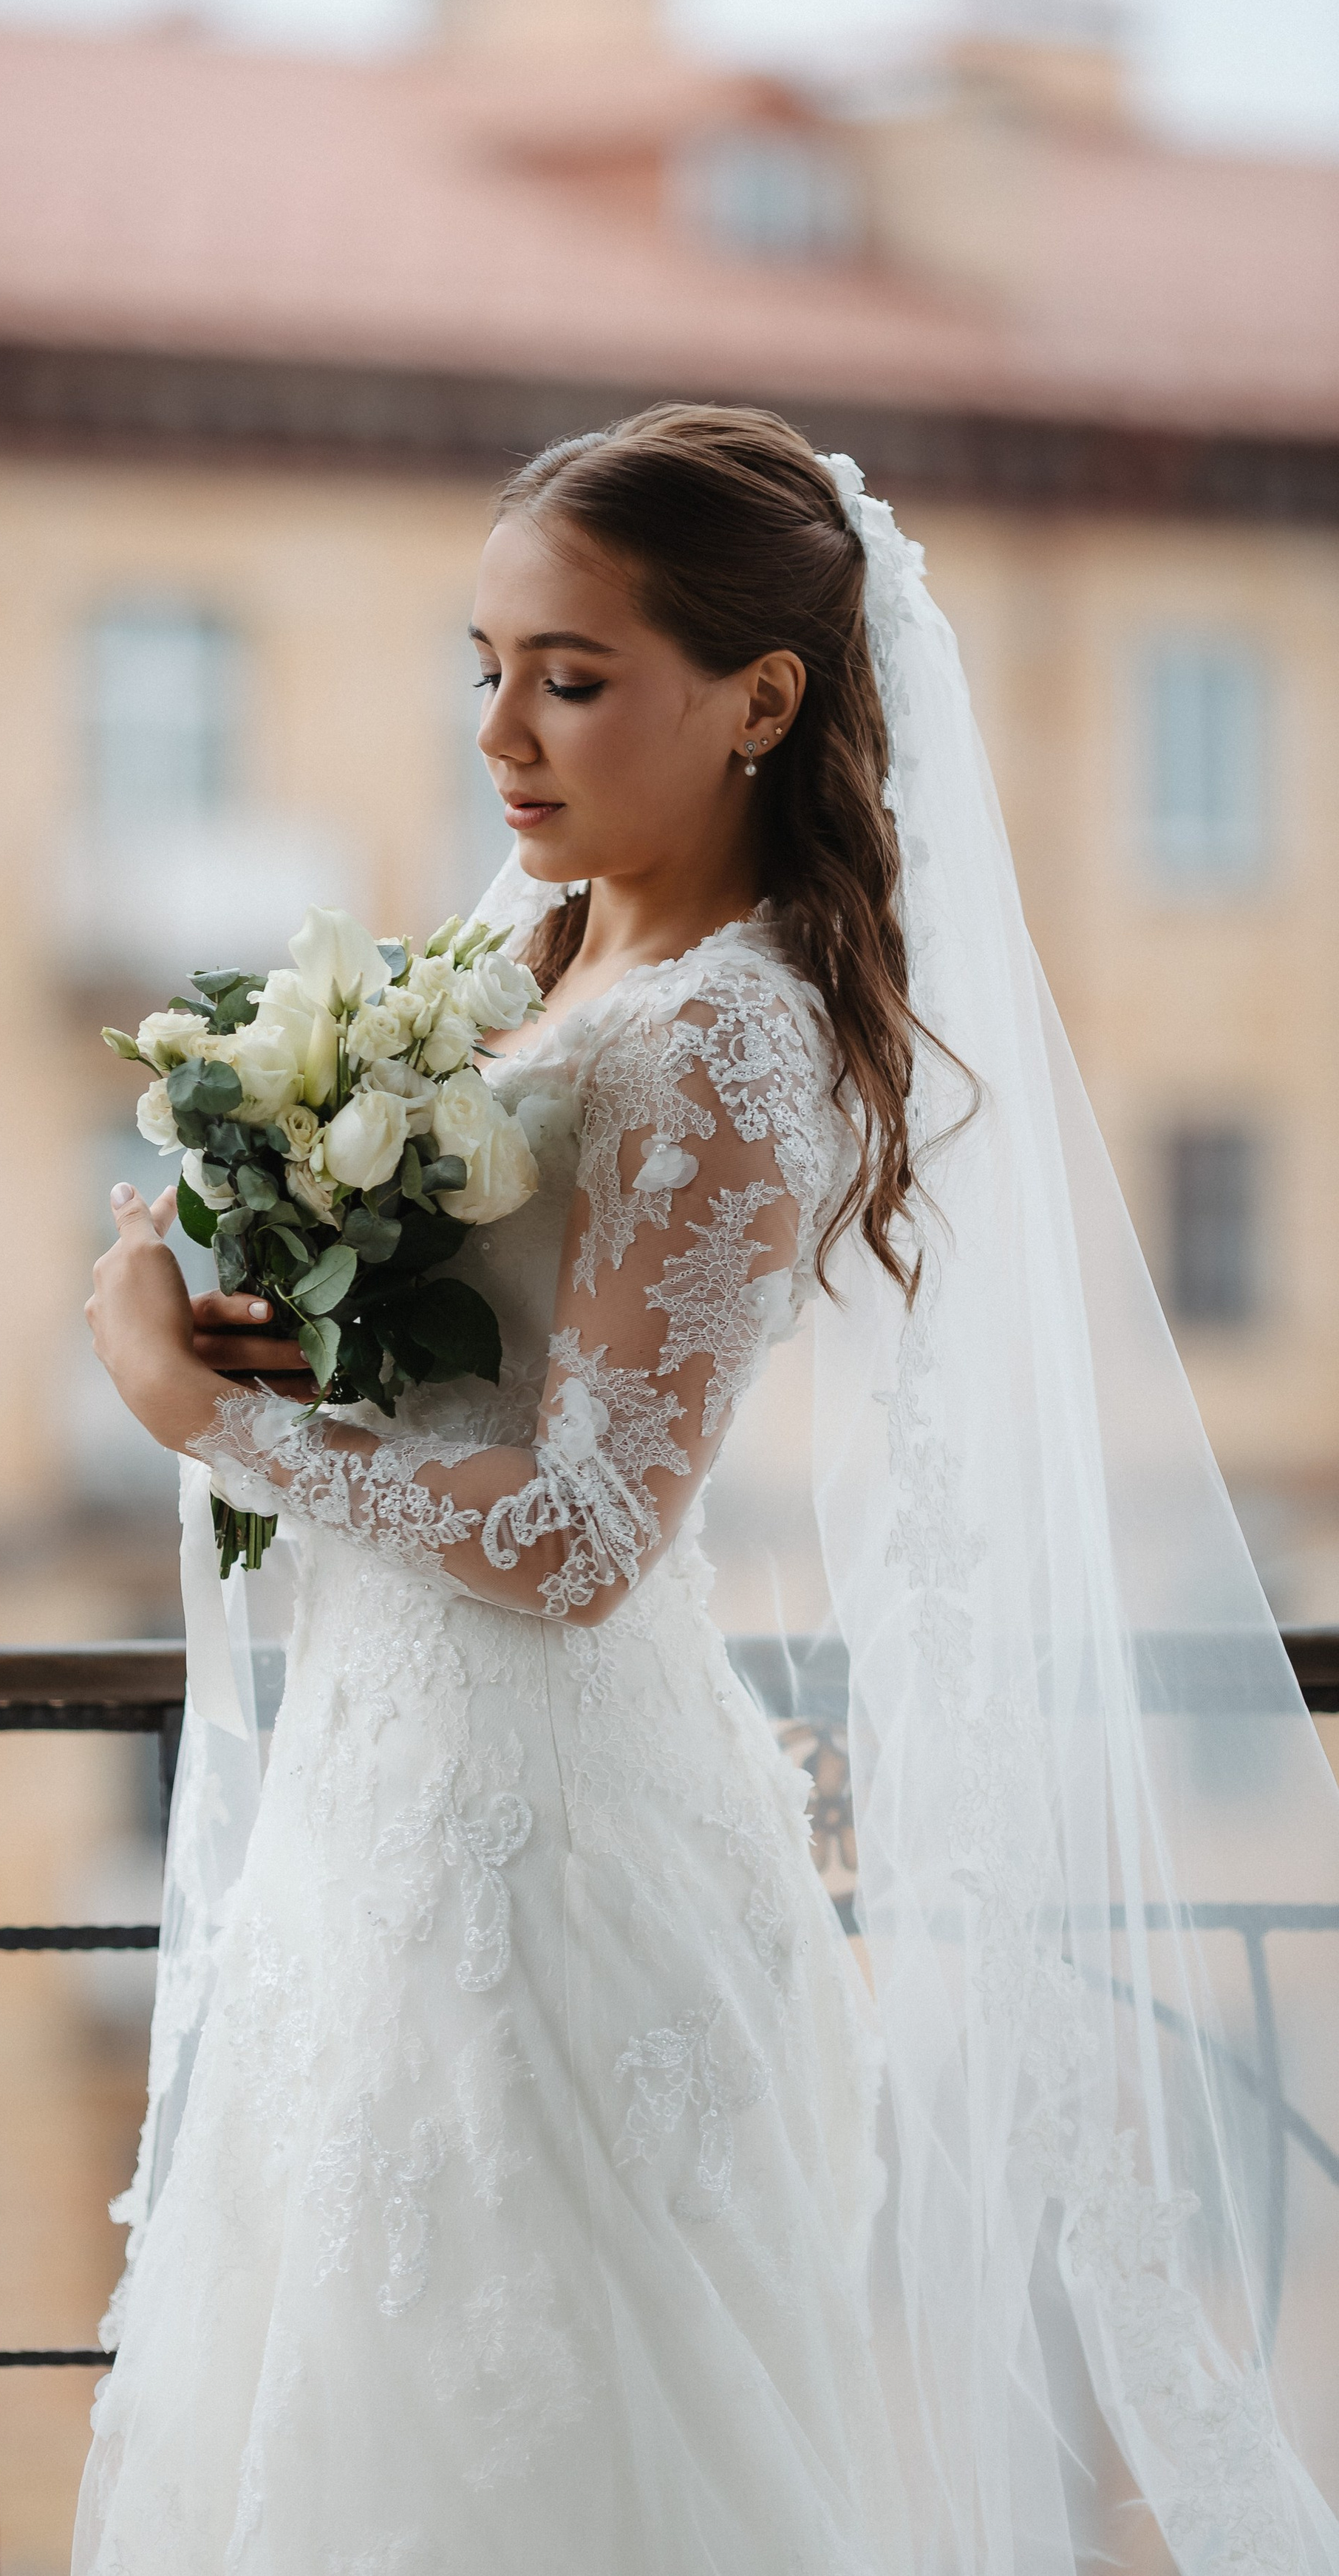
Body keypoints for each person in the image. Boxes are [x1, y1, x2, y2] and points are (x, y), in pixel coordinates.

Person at [75, 407, 1339, 2574]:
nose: (500, 733)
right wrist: (294, 1328)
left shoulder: (729, 1037)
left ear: (762, 698)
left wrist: (201, 1417)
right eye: (484, 665)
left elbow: (583, 1535)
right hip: (389, 1808)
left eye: (571, 678)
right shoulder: (543, 963)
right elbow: (477, 1383)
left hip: (547, 1858)